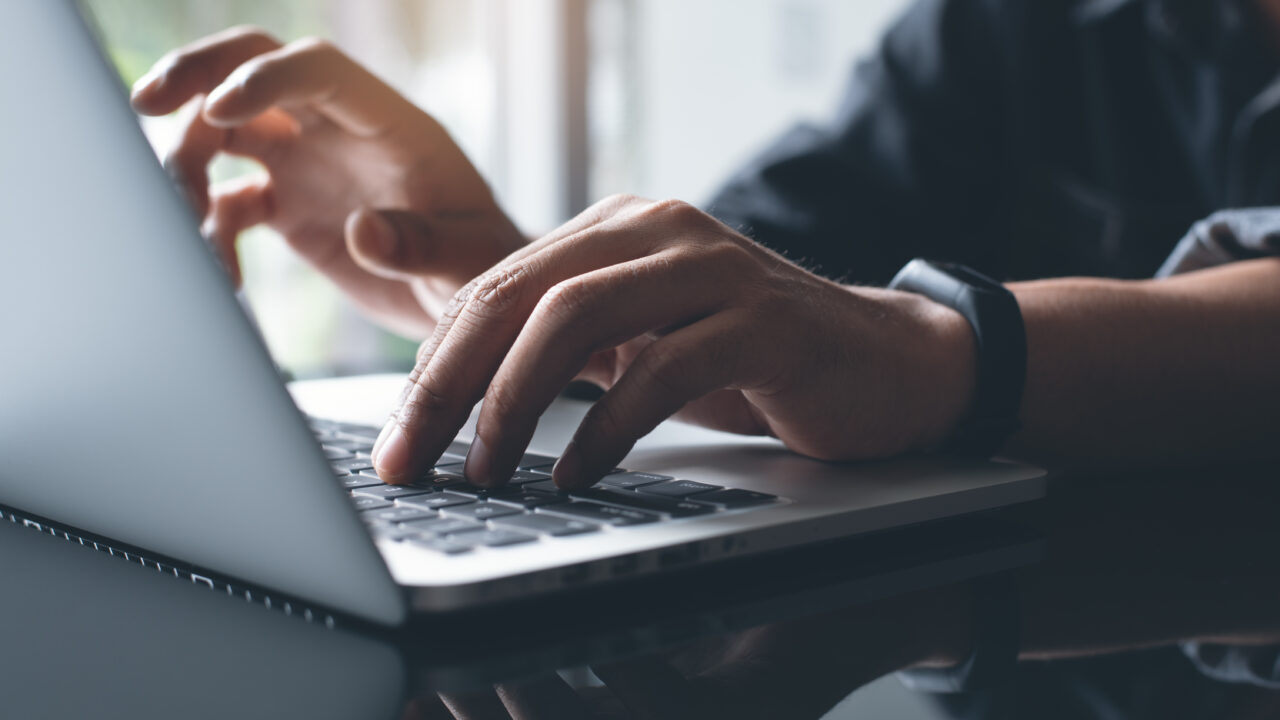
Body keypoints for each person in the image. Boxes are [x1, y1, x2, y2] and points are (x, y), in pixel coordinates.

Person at [131, 0, 1280, 709]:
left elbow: (857, 340)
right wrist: (494, 268)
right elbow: (763, 292)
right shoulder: (1004, 27)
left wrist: (927, 351)